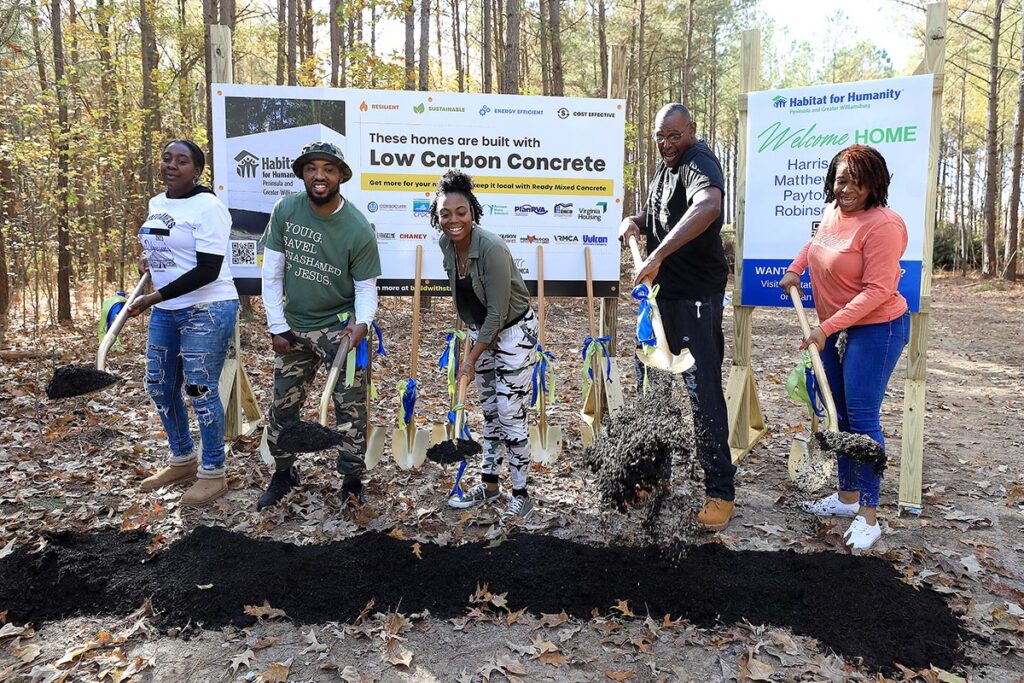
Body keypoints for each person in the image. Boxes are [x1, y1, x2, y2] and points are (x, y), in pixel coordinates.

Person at [779, 144, 910, 551]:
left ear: (875, 184)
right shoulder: (833, 213)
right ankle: (846, 498)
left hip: (877, 329)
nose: (847, 189)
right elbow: (815, 242)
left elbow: (877, 291)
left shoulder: (883, 225)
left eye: (856, 182)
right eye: (840, 181)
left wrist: (826, 327)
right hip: (836, 330)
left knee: (862, 419)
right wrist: (795, 269)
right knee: (839, 416)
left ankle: (869, 517)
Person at [618, 103, 736, 532]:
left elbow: (706, 209)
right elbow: (665, 214)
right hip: (660, 301)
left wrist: (658, 253)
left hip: (695, 302)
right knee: (653, 390)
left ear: (692, 130)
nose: (667, 144)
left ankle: (720, 491)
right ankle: (654, 476)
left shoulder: (699, 160)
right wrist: (636, 221)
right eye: (660, 137)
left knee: (702, 395)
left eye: (674, 136)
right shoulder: (665, 170)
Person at [257, 141, 381, 511]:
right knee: (282, 405)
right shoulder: (286, 210)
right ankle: (283, 472)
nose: (320, 176)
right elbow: (272, 272)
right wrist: (277, 326)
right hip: (293, 327)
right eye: (312, 168)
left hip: (339, 328)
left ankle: (351, 480)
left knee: (350, 408)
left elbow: (365, 290)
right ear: (303, 174)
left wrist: (362, 324)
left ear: (341, 174)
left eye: (328, 168)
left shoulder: (358, 228)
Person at [129, 139, 240, 507]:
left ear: (197, 170)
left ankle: (213, 472)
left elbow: (208, 269)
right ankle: (182, 459)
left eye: (181, 160)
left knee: (199, 389)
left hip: (206, 307)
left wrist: (152, 299)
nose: (171, 165)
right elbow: (162, 250)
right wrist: (149, 262)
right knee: (159, 385)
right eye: (166, 158)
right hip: (166, 309)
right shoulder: (157, 204)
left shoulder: (209, 206)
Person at [431, 169, 539, 519]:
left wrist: (470, 360)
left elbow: (498, 313)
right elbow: (470, 306)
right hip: (483, 332)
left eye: (460, 212)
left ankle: (521, 493)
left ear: (473, 212)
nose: (453, 220)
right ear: (437, 217)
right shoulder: (446, 245)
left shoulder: (491, 248)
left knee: (510, 412)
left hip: (514, 332)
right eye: (445, 213)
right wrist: (472, 345)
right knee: (490, 413)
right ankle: (490, 486)